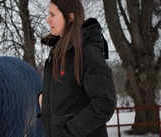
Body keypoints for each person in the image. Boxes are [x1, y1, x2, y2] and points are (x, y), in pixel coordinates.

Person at [39, 0, 117, 137]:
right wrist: (43, 97)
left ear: (70, 17)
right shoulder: (55, 54)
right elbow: (68, 95)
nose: (48, 20)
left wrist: (71, 130)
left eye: (53, 15)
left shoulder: (88, 53)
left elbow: (105, 102)